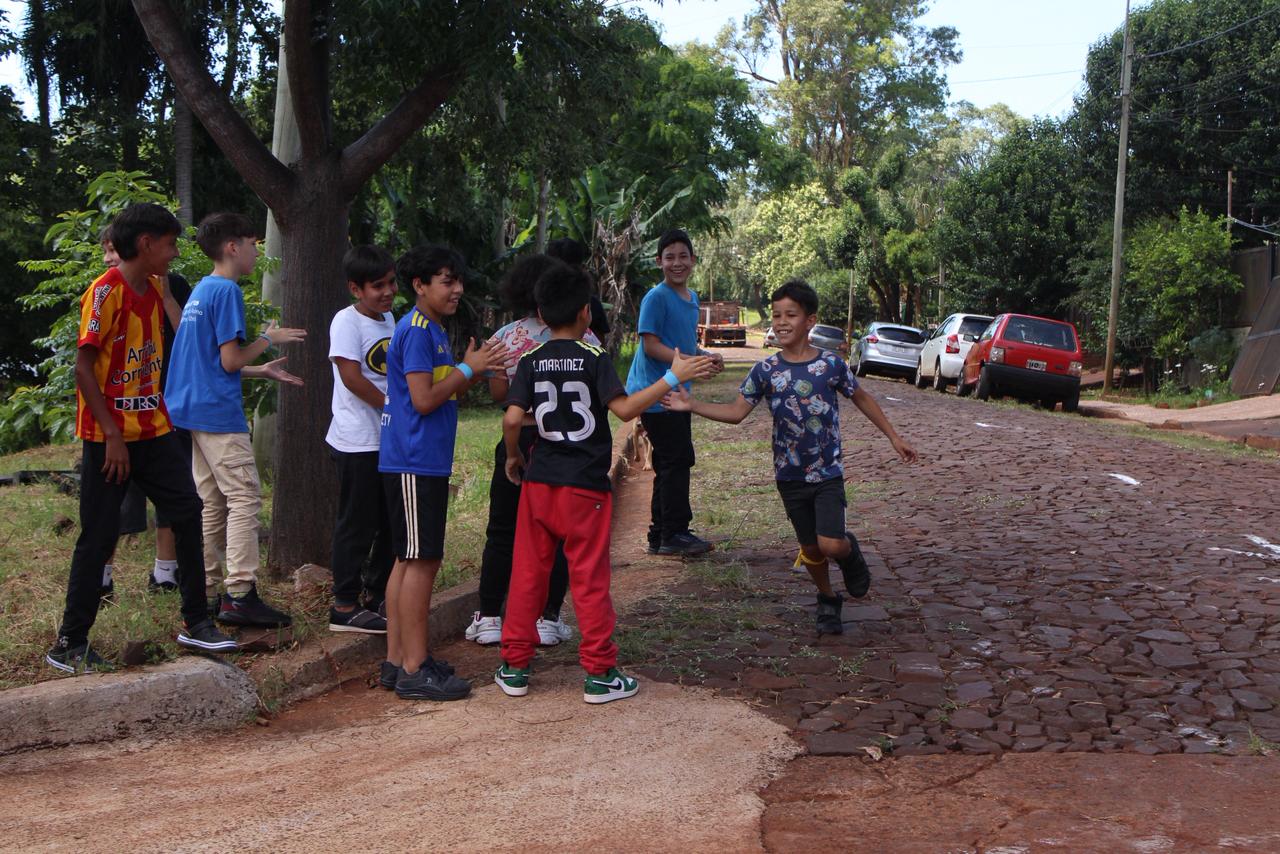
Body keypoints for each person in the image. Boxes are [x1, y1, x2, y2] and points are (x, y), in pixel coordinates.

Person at [494, 260, 716, 703]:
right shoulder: (595, 359)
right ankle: (599, 674)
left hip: (539, 487)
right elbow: (626, 410)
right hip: (585, 489)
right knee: (589, 580)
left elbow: (513, 416)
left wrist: (515, 456)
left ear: (540, 310)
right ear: (585, 313)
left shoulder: (531, 360)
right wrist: (675, 376)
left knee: (527, 576)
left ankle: (514, 666)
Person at [662, 280, 917, 635]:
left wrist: (894, 438)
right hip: (789, 476)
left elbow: (861, 398)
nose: (781, 322)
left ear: (810, 320)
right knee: (810, 548)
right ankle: (828, 598)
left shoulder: (831, 365)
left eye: (791, 315)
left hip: (827, 472)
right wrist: (691, 405)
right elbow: (737, 412)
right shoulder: (765, 370)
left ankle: (849, 552)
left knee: (830, 543)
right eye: (776, 315)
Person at [47, 203, 238, 673]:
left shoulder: (157, 289)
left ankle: (197, 622)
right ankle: (69, 643)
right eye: (170, 244)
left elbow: (179, 338)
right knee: (99, 534)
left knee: (188, 512)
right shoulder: (104, 293)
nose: (174, 254)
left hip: (154, 430)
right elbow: (83, 368)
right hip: (108, 439)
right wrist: (111, 435)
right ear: (147, 244)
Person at [378, 245, 508, 700]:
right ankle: (414, 669)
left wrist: (466, 370)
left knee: (408, 559)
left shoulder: (427, 329)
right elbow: (424, 399)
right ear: (421, 285)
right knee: (422, 561)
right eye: (446, 281)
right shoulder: (416, 331)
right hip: (414, 460)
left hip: (417, 460)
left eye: (458, 281)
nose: (457, 289)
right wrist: (468, 368)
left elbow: (437, 389)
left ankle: (399, 660)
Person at [166, 212, 304, 628]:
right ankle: (241, 594)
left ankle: (208, 591)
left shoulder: (201, 291)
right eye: (252, 242)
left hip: (189, 409)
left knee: (211, 500)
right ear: (232, 247)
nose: (255, 250)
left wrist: (260, 370)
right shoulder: (225, 291)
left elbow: (207, 362)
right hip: (215, 413)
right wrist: (267, 340)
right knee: (244, 496)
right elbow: (228, 359)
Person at [466, 254, 602, 648]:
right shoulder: (585, 336)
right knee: (559, 533)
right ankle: (547, 617)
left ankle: (490, 615)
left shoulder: (505, 338)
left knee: (503, 529)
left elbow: (498, 395)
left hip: (518, 438)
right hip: (564, 445)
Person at [96, 227, 193, 601]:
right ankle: (102, 577)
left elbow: (186, 338)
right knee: (114, 498)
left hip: (166, 405)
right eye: (105, 252)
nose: (108, 258)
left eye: (112, 251)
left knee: (174, 493)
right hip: (117, 414)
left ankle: (164, 573)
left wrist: (166, 293)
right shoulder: (105, 292)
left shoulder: (174, 285)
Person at [624, 229, 724, 556]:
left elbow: (682, 344)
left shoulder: (692, 298)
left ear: (693, 261)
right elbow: (651, 346)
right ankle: (674, 533)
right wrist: (690, 361)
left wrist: (704, 357)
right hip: (656, 393)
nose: (677, 263)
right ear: (659, 262)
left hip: (678, 394)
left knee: (671, 462)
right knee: (677, 460)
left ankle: (660, 534)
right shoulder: (656, 297)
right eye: (670, 257)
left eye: (683, 256)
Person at [325, 245, 398, 634]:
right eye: (377, 286)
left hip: (387, 440)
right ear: (356, 288)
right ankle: (344, 603)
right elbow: (352, 378)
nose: (387, 292)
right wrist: (393, 408)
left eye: (391, 282)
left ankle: (377, 593)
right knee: (357, 522)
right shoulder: (346, 322)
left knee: (389, 521)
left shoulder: (390, 318)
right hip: (357, 440)